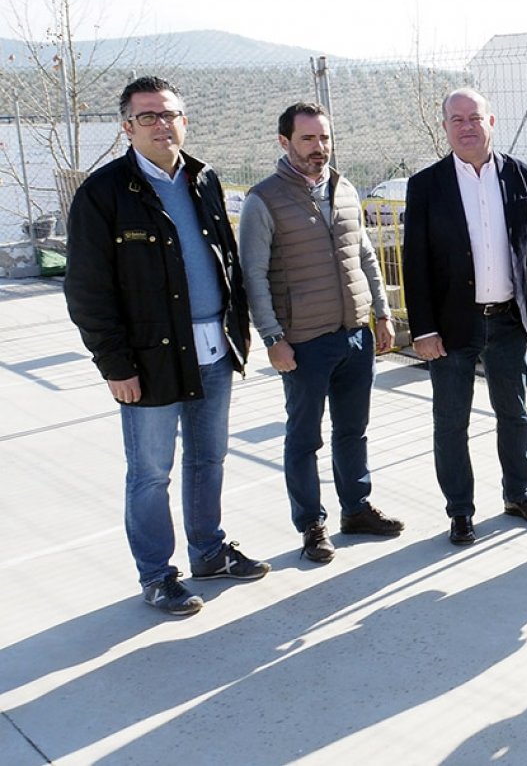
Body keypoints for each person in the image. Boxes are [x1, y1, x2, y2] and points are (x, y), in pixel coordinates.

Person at [64, 76, 270, 615]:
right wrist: (115, 364)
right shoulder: (103, 193)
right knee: (151, 472)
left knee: (210, 458)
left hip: (214, 349)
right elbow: (88, 291)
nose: (161, 124)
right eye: (148, 116)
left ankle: (209, 551)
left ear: (185, 121)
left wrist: (240, 332)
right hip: (149, 358)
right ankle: (157, 575)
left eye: (169, 114)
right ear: (127, 127)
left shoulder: (204, 179)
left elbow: (227, 261)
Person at [238, 103, 405, 563]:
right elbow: (253, 275)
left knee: (353, 430)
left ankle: (356, 509)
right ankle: (312, 524)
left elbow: (366, 256)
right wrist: (272, 338)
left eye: (325, 138)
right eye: (308, 139)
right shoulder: (264, 199)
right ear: (285, 142)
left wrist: (383, 314)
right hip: (303, 342)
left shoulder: (346, 188)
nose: (319, 148)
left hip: (354, 334)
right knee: (304, 438)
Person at [402, 88, 527, 546]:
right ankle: (460, 511)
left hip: (509, 321)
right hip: (451, 327)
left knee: (515, 414)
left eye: (475, 118)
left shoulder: (522, 176)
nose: (467, 127)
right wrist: (424, 329)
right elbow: (415, 264)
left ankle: (519, 494)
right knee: (451, 423)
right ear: (446, 127)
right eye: (457, 119)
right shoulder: (427, 186)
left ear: (492, 121)